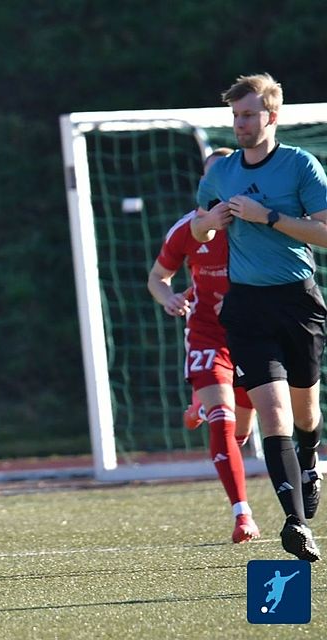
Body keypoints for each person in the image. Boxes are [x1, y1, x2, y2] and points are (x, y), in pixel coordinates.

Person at [192, 73, 327, 561]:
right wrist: (211, 222)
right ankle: (296, 522)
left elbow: (325, 233)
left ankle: (309, 459)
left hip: (297, 300)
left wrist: (265, 216)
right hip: (246, 306)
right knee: (274, 414)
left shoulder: (299, 166)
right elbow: (200, 228)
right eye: (235, 116)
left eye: (248, 115)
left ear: (271, 116)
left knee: (306, 414)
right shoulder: (222, 171)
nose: (240, 124)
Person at [148, 148, 260, 543]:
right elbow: (157, 278)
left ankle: (199, 404)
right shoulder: (187, 229)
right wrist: (169, 298)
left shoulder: (257, 225)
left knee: (241, 434)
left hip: (252, 334)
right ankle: (242, 515)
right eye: (209, 179)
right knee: (222, 419)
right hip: (207, 333)